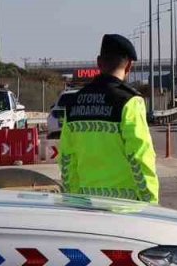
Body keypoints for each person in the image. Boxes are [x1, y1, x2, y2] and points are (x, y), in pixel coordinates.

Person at [58, 34, 160, 203]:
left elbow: (67, 158)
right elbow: (140, 157)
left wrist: (74, 200)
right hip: (125, 208)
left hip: (85, 205)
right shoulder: (130, 102)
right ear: (129, 66)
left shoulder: (74, 102)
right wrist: (151, 203)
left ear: (99, 63)